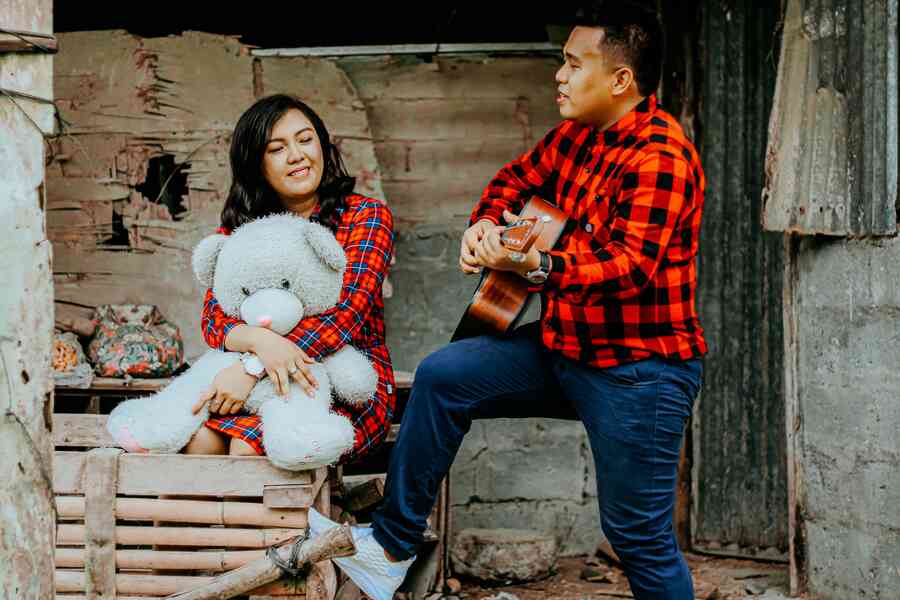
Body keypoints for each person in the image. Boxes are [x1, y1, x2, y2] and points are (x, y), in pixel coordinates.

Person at [307, 2, 708, 599]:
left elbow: (627, 269)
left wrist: (538, 265)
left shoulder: (662, 157)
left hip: (639, 371)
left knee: (637, 537)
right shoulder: (576, 137)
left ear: (620, 80)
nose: (560, 75)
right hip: (566, 347)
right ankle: (391, 547)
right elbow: (511, 183)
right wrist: (485, 227)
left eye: (574, 64)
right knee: (443, 376)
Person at [184, 93, 396, 467]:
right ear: (256, 164)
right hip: (257, 385)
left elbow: (344, 316)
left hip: (345, 384)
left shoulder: (365, 216)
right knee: (198, 440)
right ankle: (206, 528)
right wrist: (260, 343)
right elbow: (214, 319)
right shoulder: (244, 228)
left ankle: (281, 529)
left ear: (322, 143)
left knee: (248, 447)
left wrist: (250, 367)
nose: (297, 155)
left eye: (305, 139)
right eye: (277, 148)